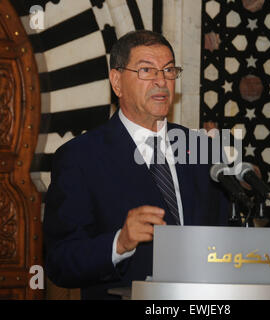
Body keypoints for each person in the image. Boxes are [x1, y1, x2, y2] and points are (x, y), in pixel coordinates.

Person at [43, 30, 230, 300]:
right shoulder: (80, 158)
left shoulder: (203, 148)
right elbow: (60, 262)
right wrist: (119, 243)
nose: (161, 81)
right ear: (117, 82)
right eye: (146, 70)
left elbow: (224, 236)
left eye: (168, 70)